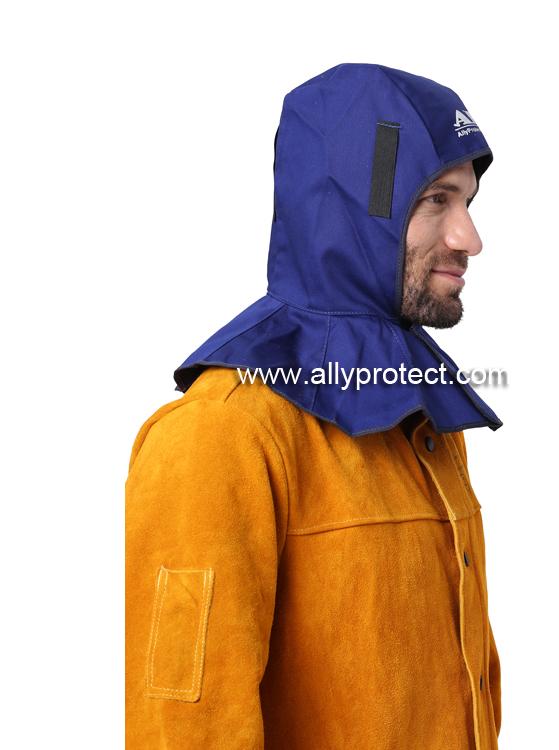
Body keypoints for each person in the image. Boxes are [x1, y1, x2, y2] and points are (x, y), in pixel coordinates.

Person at [125, 62, 503, 749]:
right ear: (363, 206)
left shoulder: (425, 423)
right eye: (436, 200)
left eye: (469, 203)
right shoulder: (222, 435)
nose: (469, 238)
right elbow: (183, 729)